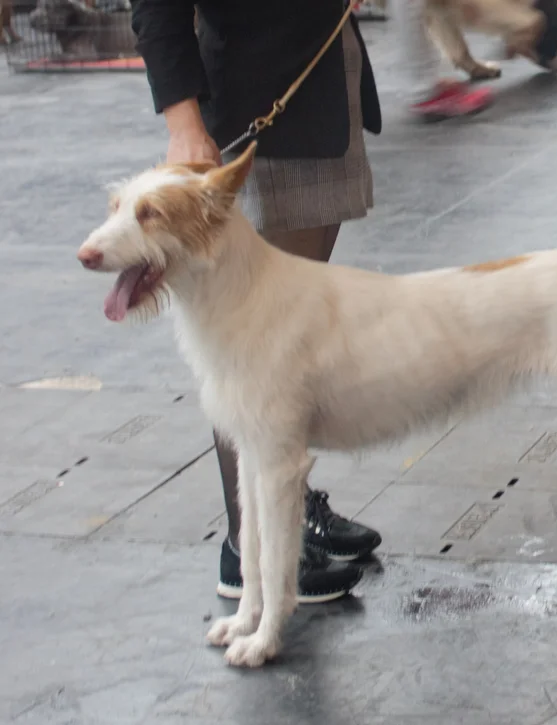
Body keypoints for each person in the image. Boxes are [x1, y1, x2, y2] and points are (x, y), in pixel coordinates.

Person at [130, 0, 383, 604]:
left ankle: (287, 508)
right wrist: (182, 122)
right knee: (252, 349)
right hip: (261, 105)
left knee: (288, 340)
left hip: (320, 81)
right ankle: (251, 549)